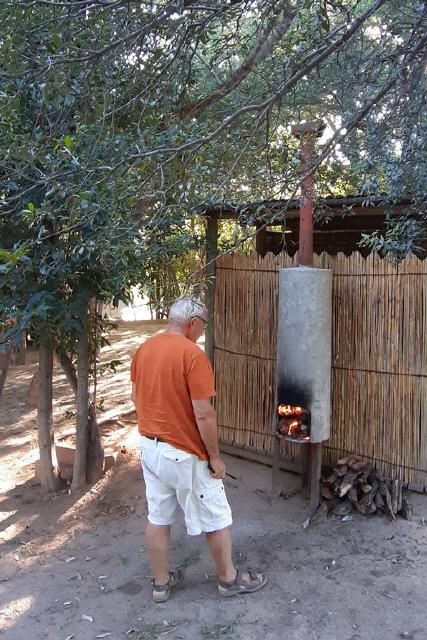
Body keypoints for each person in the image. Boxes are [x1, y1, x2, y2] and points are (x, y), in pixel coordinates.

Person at [131, 296, 267, 602]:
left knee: (158, 516)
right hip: (183, 454)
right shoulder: (192, 355)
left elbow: (135, 396)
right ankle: (229, 580)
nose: (203, 330)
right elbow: (204, 413)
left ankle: (161, 584)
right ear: (192, 323)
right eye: (203, 324)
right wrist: (214, 457)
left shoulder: (145, 349)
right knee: (215, 516)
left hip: (149, 448)